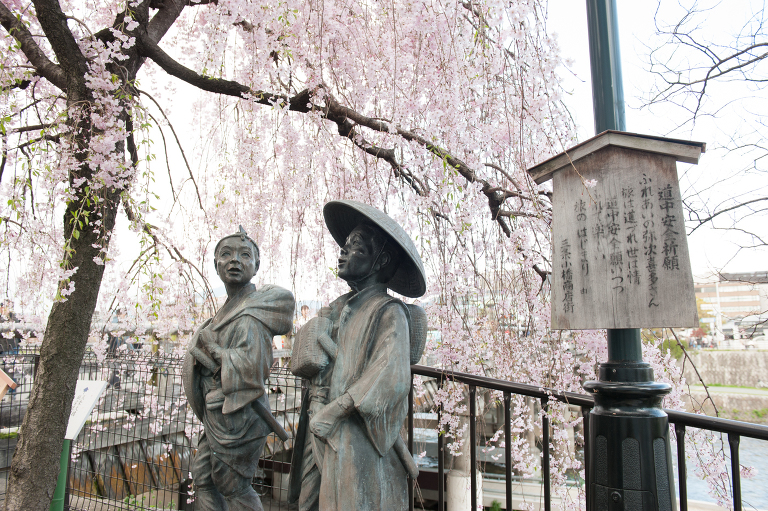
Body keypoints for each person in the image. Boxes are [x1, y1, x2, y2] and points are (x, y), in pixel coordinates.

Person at [289, 200, 426, 510]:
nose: (342, 252)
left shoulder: (389, 313)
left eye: (356, 248)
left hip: (353, 431)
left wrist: (338, 408)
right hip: (321, 422)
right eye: (345, 246)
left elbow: (389, 375)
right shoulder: (338, 308)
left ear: (381, 260)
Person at [182, 227, 294, 511]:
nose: (235, 260)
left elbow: (252, 367)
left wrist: (217, 351)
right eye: (226, 254)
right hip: (217, 414)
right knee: (204, 477)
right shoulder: (224, 311)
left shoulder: (254, 312)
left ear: (256, 266)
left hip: (241, 414)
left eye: (245, 255)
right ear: (216, 264)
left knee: (234, 487)